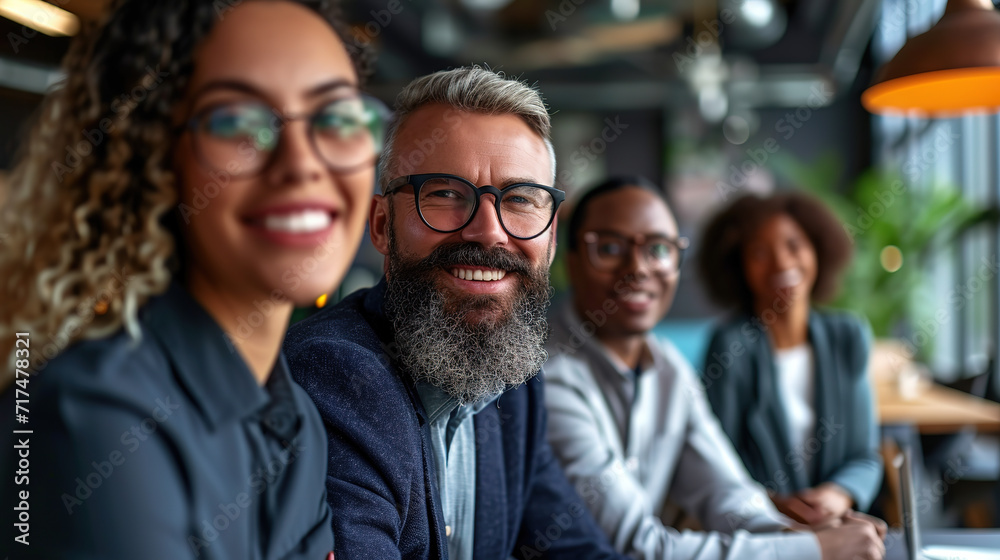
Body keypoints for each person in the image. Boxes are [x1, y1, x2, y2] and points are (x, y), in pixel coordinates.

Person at [0, 1, 387, 557]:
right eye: (238, 121)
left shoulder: (296, 417)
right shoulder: (89, 417)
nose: (303, 162)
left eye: (338, 118)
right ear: (153, 156)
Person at [283, 66, 627, 560]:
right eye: (445, 193)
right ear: (382, 225)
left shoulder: (516, 380)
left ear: (550, 239)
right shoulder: (337, 378)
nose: (488, 232)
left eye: (520, 200)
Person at [543, 177, 886, 560]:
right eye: (608, 248)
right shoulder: (548, 375)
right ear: (568, 258)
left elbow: (727, 494)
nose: (637, 268)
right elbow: (634, 548)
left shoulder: (669, 368)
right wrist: (812, 549)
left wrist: (803, 536)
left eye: (659, 249)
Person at [698, 192, 883, 528]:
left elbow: (865, 457)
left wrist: (838, 494)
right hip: (761, 533)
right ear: (738, 266)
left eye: (794, 245)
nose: (781, 263)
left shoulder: (848, 335)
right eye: (759, 252)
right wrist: (779, 507)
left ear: (818, 250)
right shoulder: (730, 346)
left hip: (840, 527)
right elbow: (716, 466)